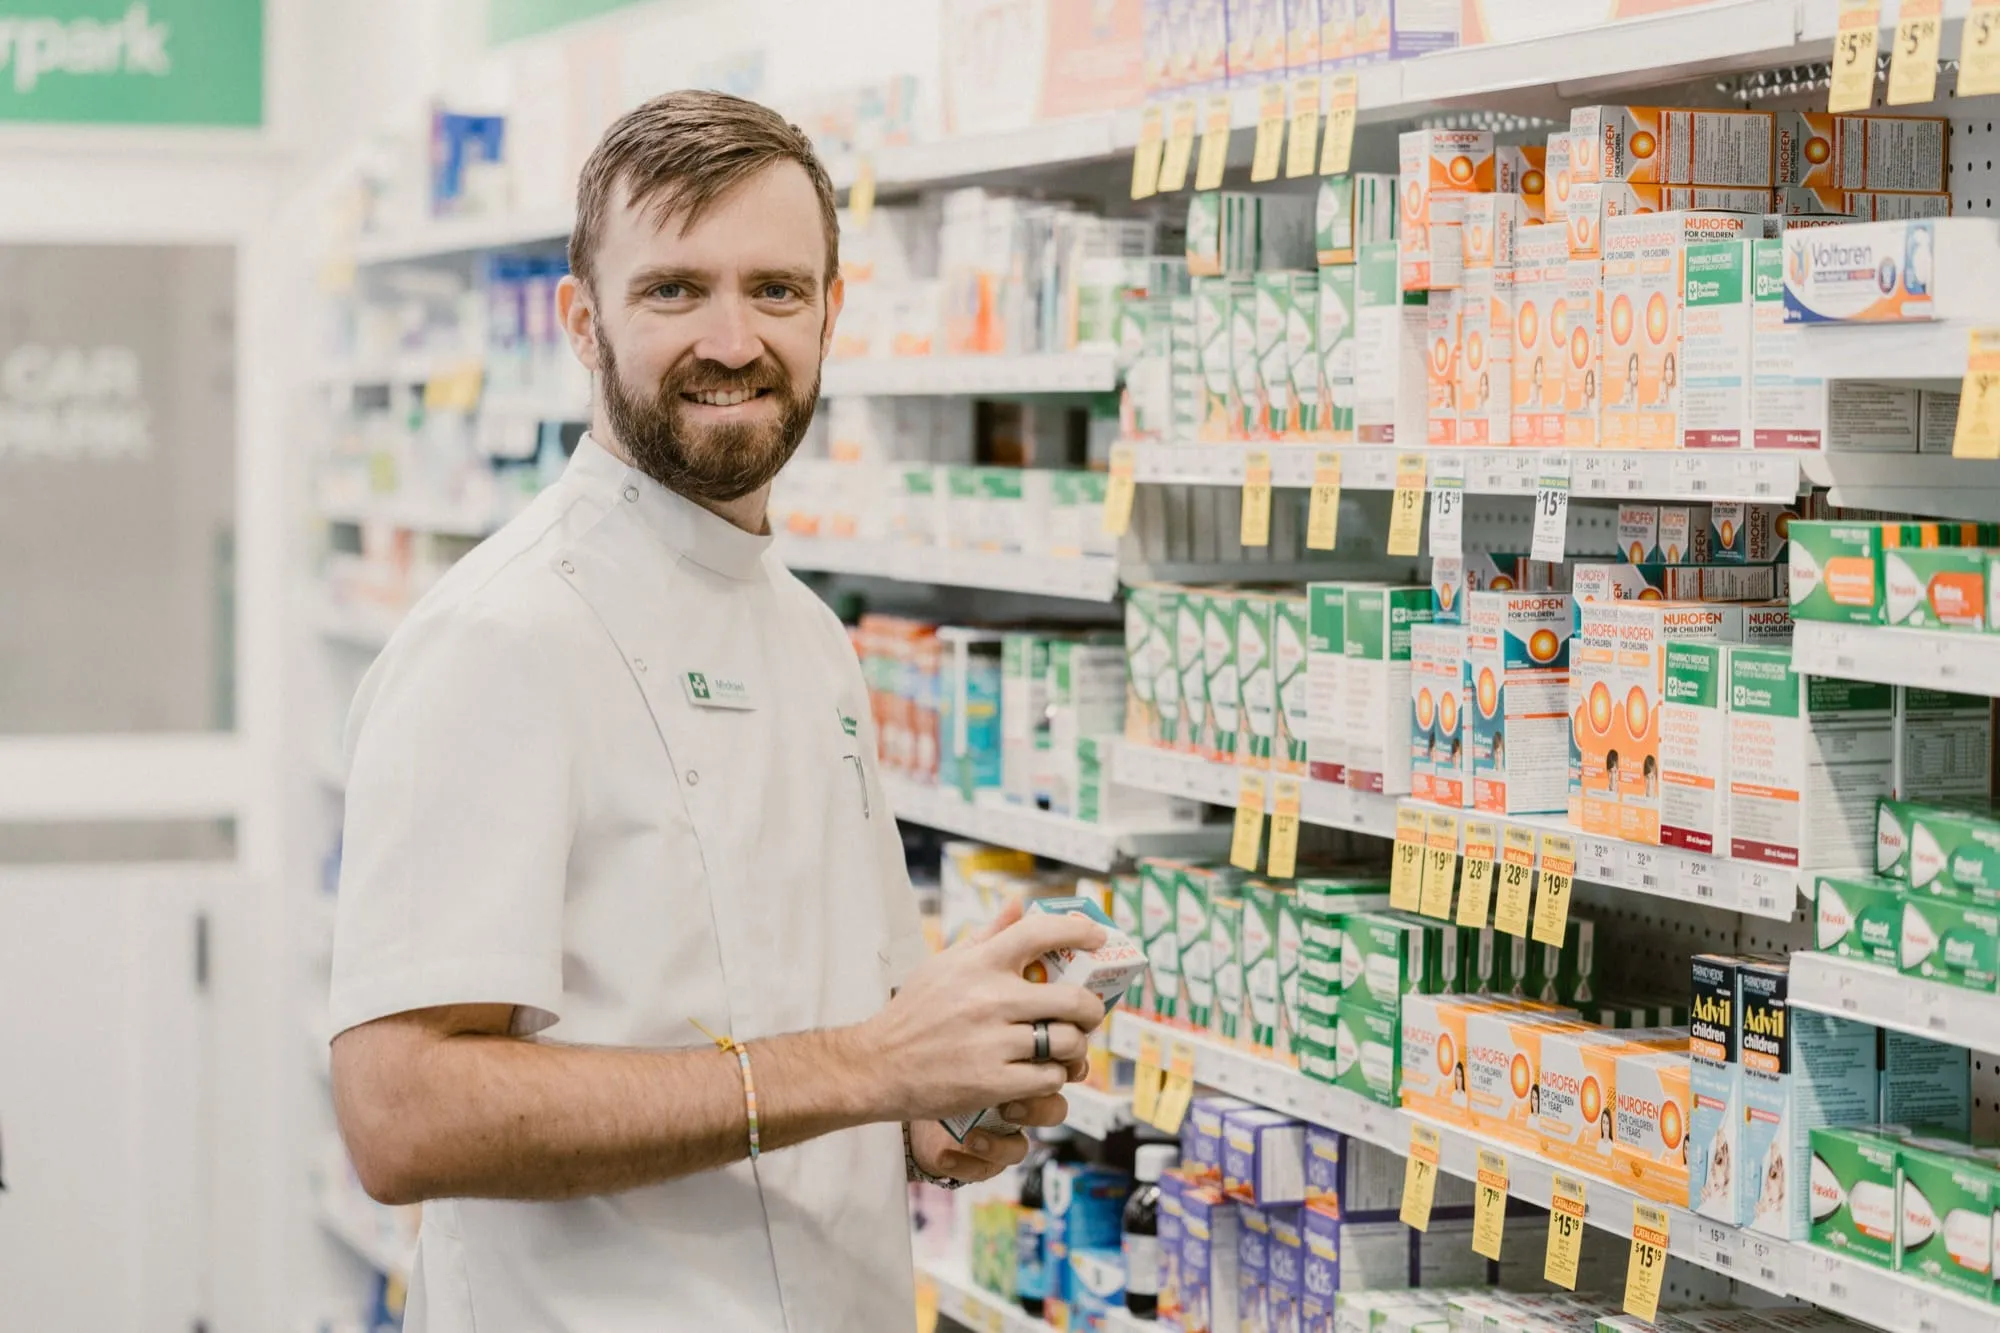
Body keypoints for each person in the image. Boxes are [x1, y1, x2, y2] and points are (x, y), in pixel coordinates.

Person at [326, 90, 1109, 1333]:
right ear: (584, 322)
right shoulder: (502, 636)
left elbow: (807, 1048)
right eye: (674, 290)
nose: (734, 339)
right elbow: (398, 1113)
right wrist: (866, 1067)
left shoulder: (809, 638)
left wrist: (931, 1105)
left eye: (778, 291)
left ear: (832, 313)